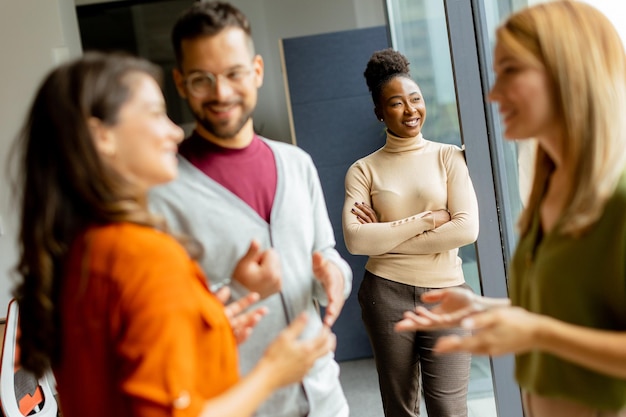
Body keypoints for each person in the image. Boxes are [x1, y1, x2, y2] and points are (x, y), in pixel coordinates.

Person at [11, 51, 337, 417]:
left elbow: (127, 366)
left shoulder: (87, 246)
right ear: (101, 136)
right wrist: (271, 373)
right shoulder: (144, 255)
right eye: (155, 113)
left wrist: (209, 331)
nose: (175, 131)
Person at [395, 1, 626, 416]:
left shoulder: (618, 199)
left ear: (565, 72)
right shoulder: (550, 188)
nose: (493, 92)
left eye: (511, 71)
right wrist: (489, 309)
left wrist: (534, 330)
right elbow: (572, 312)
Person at [148, 2, 352, 416]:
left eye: (234, 74)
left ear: (257, 71)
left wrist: (335, 274)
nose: (221, 93)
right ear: (180, 83)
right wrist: (240, 289)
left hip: (324, 395)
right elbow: (161, 322)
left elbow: (324, 254)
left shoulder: (297, 164)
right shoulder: (161, 192)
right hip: (241, 403)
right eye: (202, 79)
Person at [342, 48, 479, 417]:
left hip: (447, 294)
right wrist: (428, 219)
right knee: (400, 407)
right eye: (396, 103)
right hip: (384, 293)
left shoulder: (449, 157)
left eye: (415, 99)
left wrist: (386, 236)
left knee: (449, 408)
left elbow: (466, 228)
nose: (410, 110)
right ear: (380, 113)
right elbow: (356, 240)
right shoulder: (363, 170)